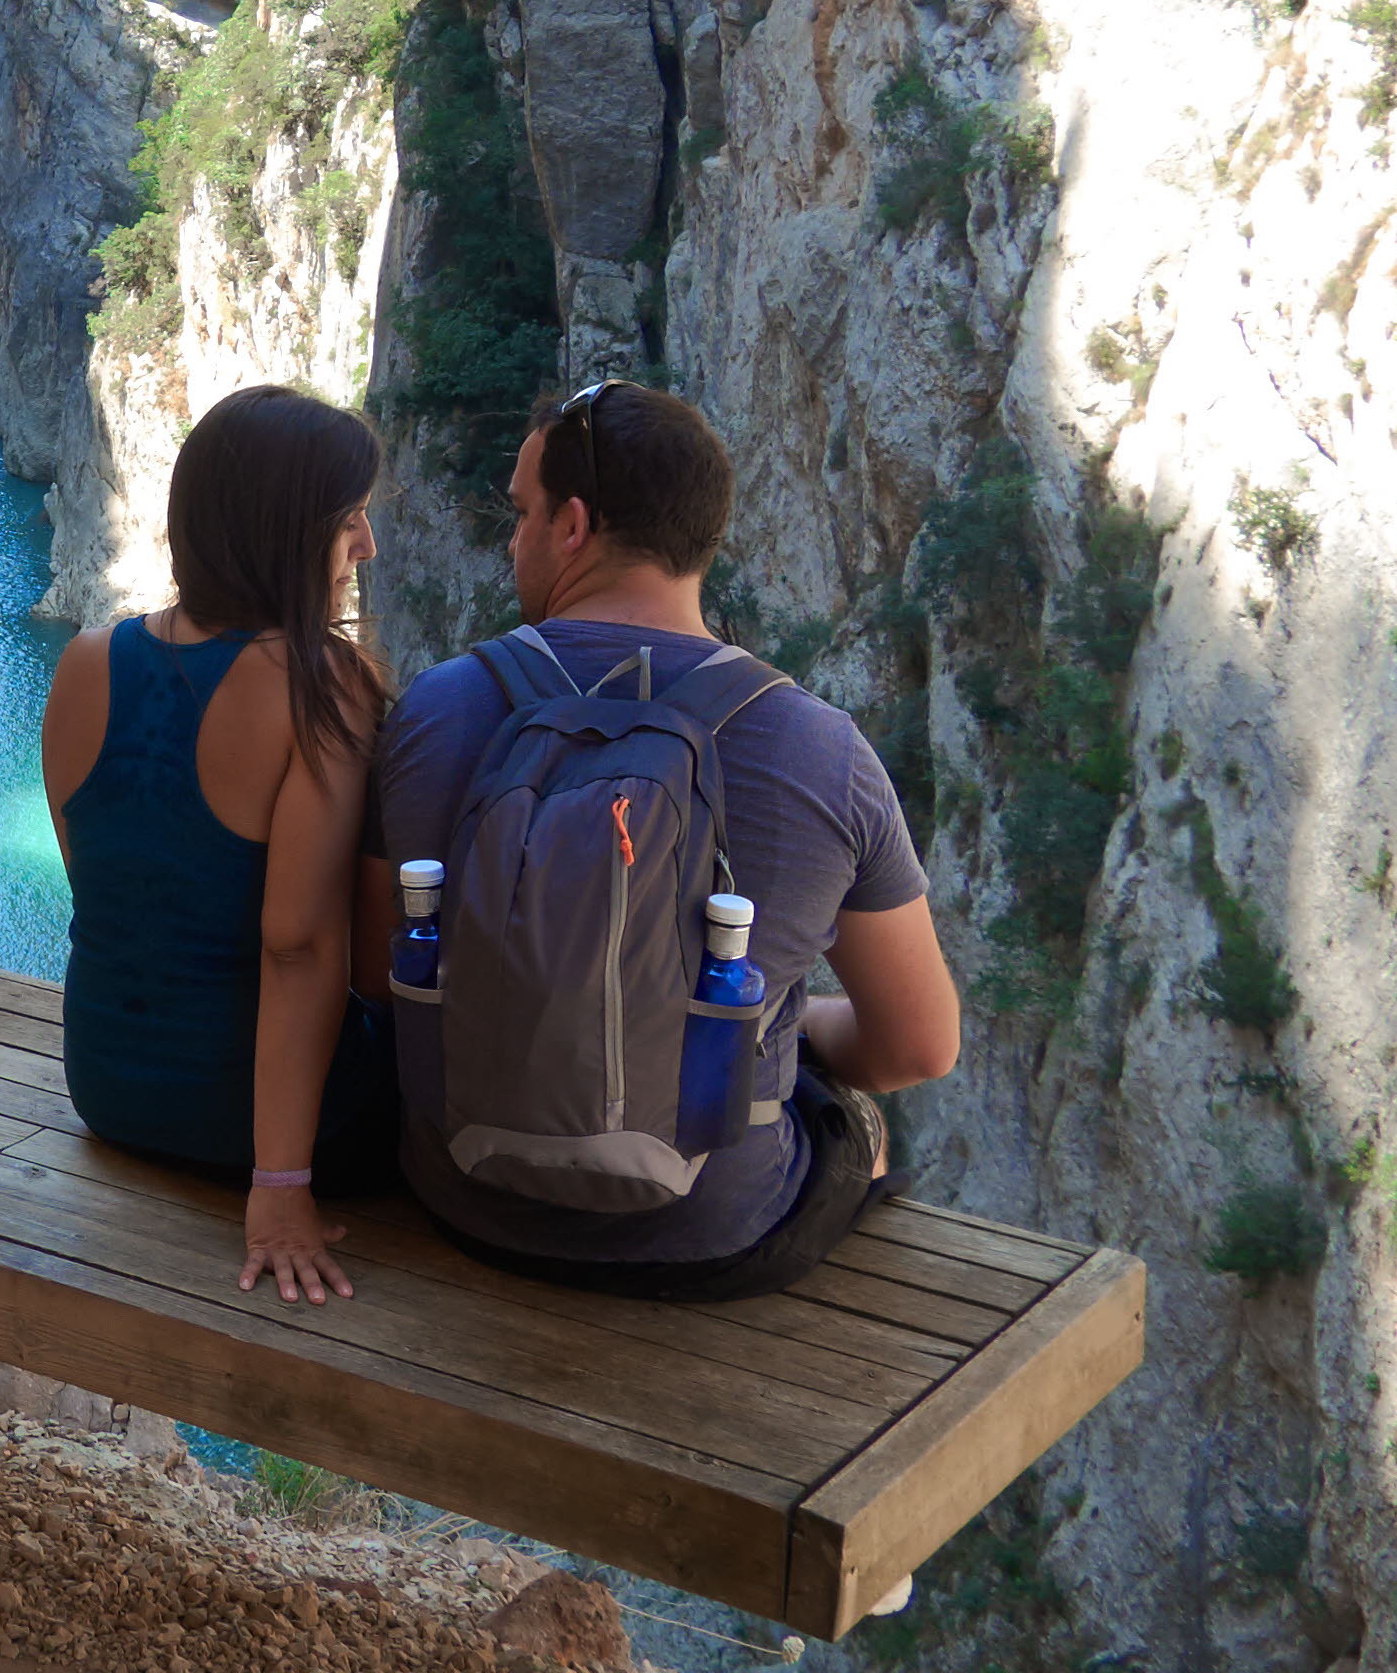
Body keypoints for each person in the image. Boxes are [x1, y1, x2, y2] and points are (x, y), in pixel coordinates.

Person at [361, 380, 960, 1299]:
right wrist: (753, 1026)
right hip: (711, 1236)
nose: (514, 538)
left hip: (464, 1198)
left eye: (521, 513)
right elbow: (919, 1048)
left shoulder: (436, 709)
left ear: (572, 527)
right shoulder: (821, 749)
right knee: (852, 1120)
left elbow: (379, 974)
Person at [40, 384, 402, 1306]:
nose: (365, 544)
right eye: (349, 520)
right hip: (267, 1129)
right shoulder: (325, 686)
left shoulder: (87, 661)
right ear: (286, 529)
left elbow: (112, 890)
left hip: (107, 1088)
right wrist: (279, 1187)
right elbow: (300, 946)